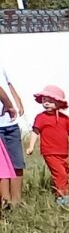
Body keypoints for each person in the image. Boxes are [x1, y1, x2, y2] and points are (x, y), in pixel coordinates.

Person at [29, 86, 69, 207]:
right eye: (44, 100)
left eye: (50, 100)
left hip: (63, 151)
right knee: (60, 174)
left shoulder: (65, 119)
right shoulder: (41, 117)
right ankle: (63, 198)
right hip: (49, 151)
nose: (46, 103)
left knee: (65, 173)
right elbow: (35, 132)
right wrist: (31, 146)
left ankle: (63, 194)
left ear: (59, 102)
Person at [0, 65, 24, 208]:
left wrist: (17, 101)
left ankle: (16, 202)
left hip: (10, 123)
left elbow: (8, 84)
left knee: (17, 162)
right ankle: (6, 201)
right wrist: (9, 105)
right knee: (3, 167)